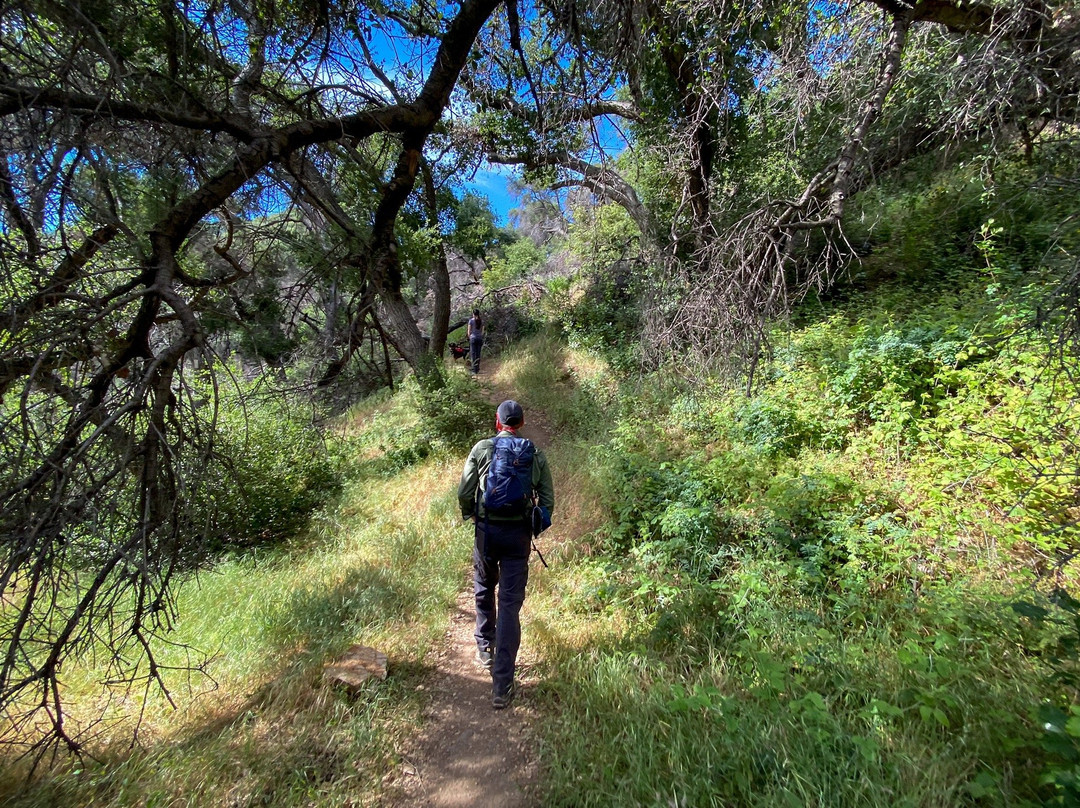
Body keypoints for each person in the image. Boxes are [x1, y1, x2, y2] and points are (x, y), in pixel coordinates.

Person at [457, 400, 555, 709]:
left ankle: (485, 648)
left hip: (487, 532)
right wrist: (537, 524)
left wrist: (471, 514)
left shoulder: (482, 448)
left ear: (498, 423)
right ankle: (502, 685)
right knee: (510, 605)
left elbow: (464, 491)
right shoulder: (533, 453)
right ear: (522, 423)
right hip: (517, 537)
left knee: (484, 586)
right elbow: (548, 498)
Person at [466, 308, 483, 374]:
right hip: (479, 338)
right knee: (478, 354)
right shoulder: (481, 321)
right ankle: (477, 368)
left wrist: (470, 337)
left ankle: (474, 369)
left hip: (473, 338)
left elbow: (469, 331)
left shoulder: (471, 321)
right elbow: (482, 331)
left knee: (473, 354)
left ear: (473, 314)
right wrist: (480, 336)